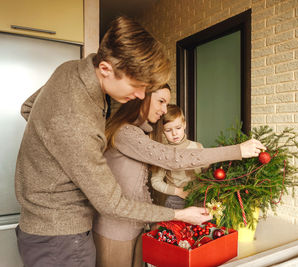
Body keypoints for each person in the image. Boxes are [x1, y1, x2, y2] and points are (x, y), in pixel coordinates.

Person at [14, 16, 225, 267]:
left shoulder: (69, 69)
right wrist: (179, 214)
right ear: (105, 69)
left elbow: (27, 108)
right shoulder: (77, 122)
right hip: (61, 238)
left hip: (43, 230)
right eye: (136, 86)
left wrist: (61, 154)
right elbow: (113, 204)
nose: (139, 95)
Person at [92, 85, 265, 267]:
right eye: (161, 101)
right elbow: (174, 159)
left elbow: (137, 188)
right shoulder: (126, 133)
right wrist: (237, 151)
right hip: (116, 231)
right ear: (142, 97)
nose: (164, 110)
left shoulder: (142, 134)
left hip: (137, 225)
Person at [151, 104, 203, 209]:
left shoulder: (198, 146)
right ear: (162, 131)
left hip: (200, 197)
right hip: (177, 200)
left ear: (184, 124)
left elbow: (207, 173)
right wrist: (178, 192)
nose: (174, 133)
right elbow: (156, 181)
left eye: (178, 128)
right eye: (168, 130)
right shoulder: (163, 153)